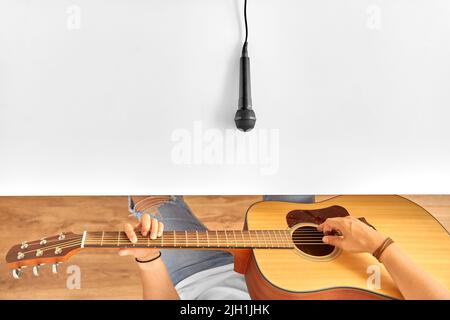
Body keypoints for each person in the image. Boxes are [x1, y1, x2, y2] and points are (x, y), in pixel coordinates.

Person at [118, 196, 450, 300]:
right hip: (298, 271)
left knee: (149, 182)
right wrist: (378, 245)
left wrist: (150, 258)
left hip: (201, 277)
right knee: (290, 144)